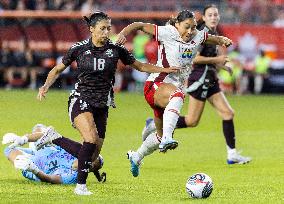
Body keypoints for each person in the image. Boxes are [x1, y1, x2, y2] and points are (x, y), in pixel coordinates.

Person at [37, 11, 178, 195]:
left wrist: (164, 69)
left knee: (93, 155)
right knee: (90, 139)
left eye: (108, 29)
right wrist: (45, 86)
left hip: (102, 105)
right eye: (102, 28)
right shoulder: (79, 49)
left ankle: (53, 137)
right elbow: (57, 69)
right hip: (81, 99)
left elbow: (140, 66)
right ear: (92, 29)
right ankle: (81, 187)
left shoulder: (115, 50)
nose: (106, 32)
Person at [116, 9, 232, 177]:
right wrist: (123, 33)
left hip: (168, 94)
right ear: (177, 24)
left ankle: (137, 156)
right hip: (157, 84)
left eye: (193, 27)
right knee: (178, 96)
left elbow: (208, 38)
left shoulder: (197, 35)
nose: (190, 31)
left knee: (158, 135)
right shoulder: (166, 32)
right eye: (186, 27)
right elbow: (138, 25)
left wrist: (221, 40)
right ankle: (167, 139)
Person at [139, 5, 251, 174]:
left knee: (228, 113)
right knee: (192, 120)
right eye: (209, 15)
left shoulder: (211, 32)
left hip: (211, 79)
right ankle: (155, 124)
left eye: (215, 14)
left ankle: (232, 154)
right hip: (199, 79)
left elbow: (208, 57)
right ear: (203, 18)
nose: (213, 17)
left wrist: (221, 65)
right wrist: (217, 59)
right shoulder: (198, 33)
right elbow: (195, 58)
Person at [2, 124, 105, 185]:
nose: (89, 163)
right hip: (43, 150)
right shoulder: (75, 151)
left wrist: (33, 169)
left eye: (91, 166)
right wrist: (23, 139)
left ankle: (19, 160)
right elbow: (50, 136)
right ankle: (22, 139)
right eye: (91, 159)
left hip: (36, 164)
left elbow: (50, 179)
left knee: (9, 150)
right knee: (39, 127)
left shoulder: (73, 177)